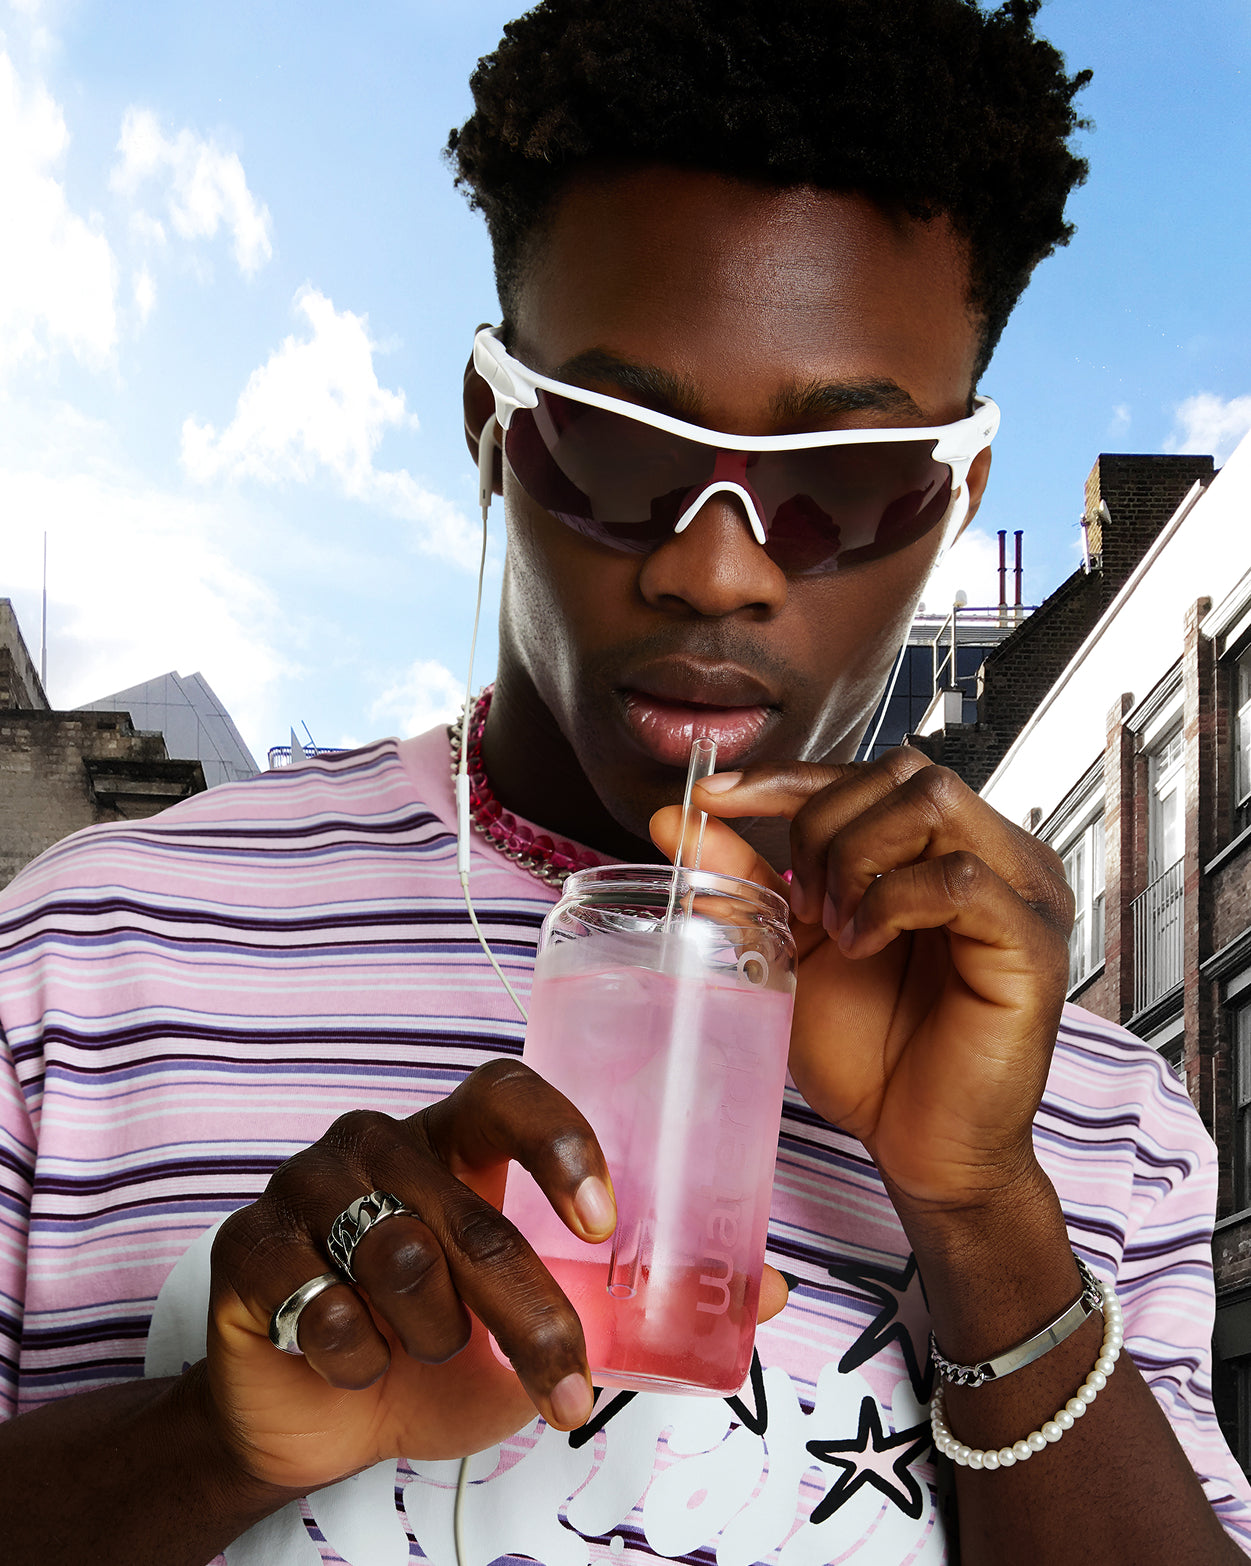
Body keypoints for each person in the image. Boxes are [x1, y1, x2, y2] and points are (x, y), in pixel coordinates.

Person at [1, 1, 1249, 1561]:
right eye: (618, 450)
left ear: (952, 496)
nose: (716, 568)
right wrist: (207, 1440)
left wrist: (982, 1209)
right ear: (494, 428)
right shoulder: (87, 964)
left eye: (845, 482)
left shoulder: (1099, 1105)